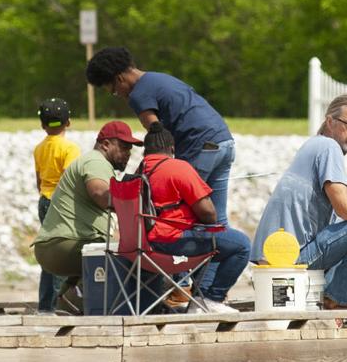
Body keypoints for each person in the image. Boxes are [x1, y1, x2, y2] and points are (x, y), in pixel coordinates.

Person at [250, 94, 347, 310]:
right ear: (330, 122)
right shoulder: (328, 147)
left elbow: (344, 218)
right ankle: (341, 302)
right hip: (287, 261)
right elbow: (346, 209)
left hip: (274, 261)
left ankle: (336, 296)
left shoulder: (314, 146)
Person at [85, 47, 235, 223]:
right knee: (218, 218)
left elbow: (158, 138)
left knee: (183, 212)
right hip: (224, 140)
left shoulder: (138, 95)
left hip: (198, 145)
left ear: (119, 79)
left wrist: (138, 176)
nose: (118, 95)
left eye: (114, 91)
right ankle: (229, 249)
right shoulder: (160, 78)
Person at [137, 123, 250, 312]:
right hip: (172, 241)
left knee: (214, 241)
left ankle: (199, 301)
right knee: (241, 245)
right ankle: (212, 299)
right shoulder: (178, 167)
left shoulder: (140, 170)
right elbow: (209, 213)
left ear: (146, 150)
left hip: (144, 245)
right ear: (172, 148)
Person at [32, 120, 140, 311]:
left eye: (130, 148)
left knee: (102, 246)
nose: (128, 153)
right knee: (131, 258)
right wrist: (136, 205)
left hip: (56, 245)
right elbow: (100, 193)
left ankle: (68, 301)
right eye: (123, 147)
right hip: (64, 245)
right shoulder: (96, 161)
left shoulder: (93, 161)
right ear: (106, 144)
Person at [33, 98, 81, 314]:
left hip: (44, 200)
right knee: (62, 255)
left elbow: (38, 180)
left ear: (43, 125)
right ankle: (58, 304)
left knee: (49, 255)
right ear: (68, 122)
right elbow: (70, 181)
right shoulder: (70, 148)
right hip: (61, 203)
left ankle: (45, 305)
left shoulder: (39, 148)